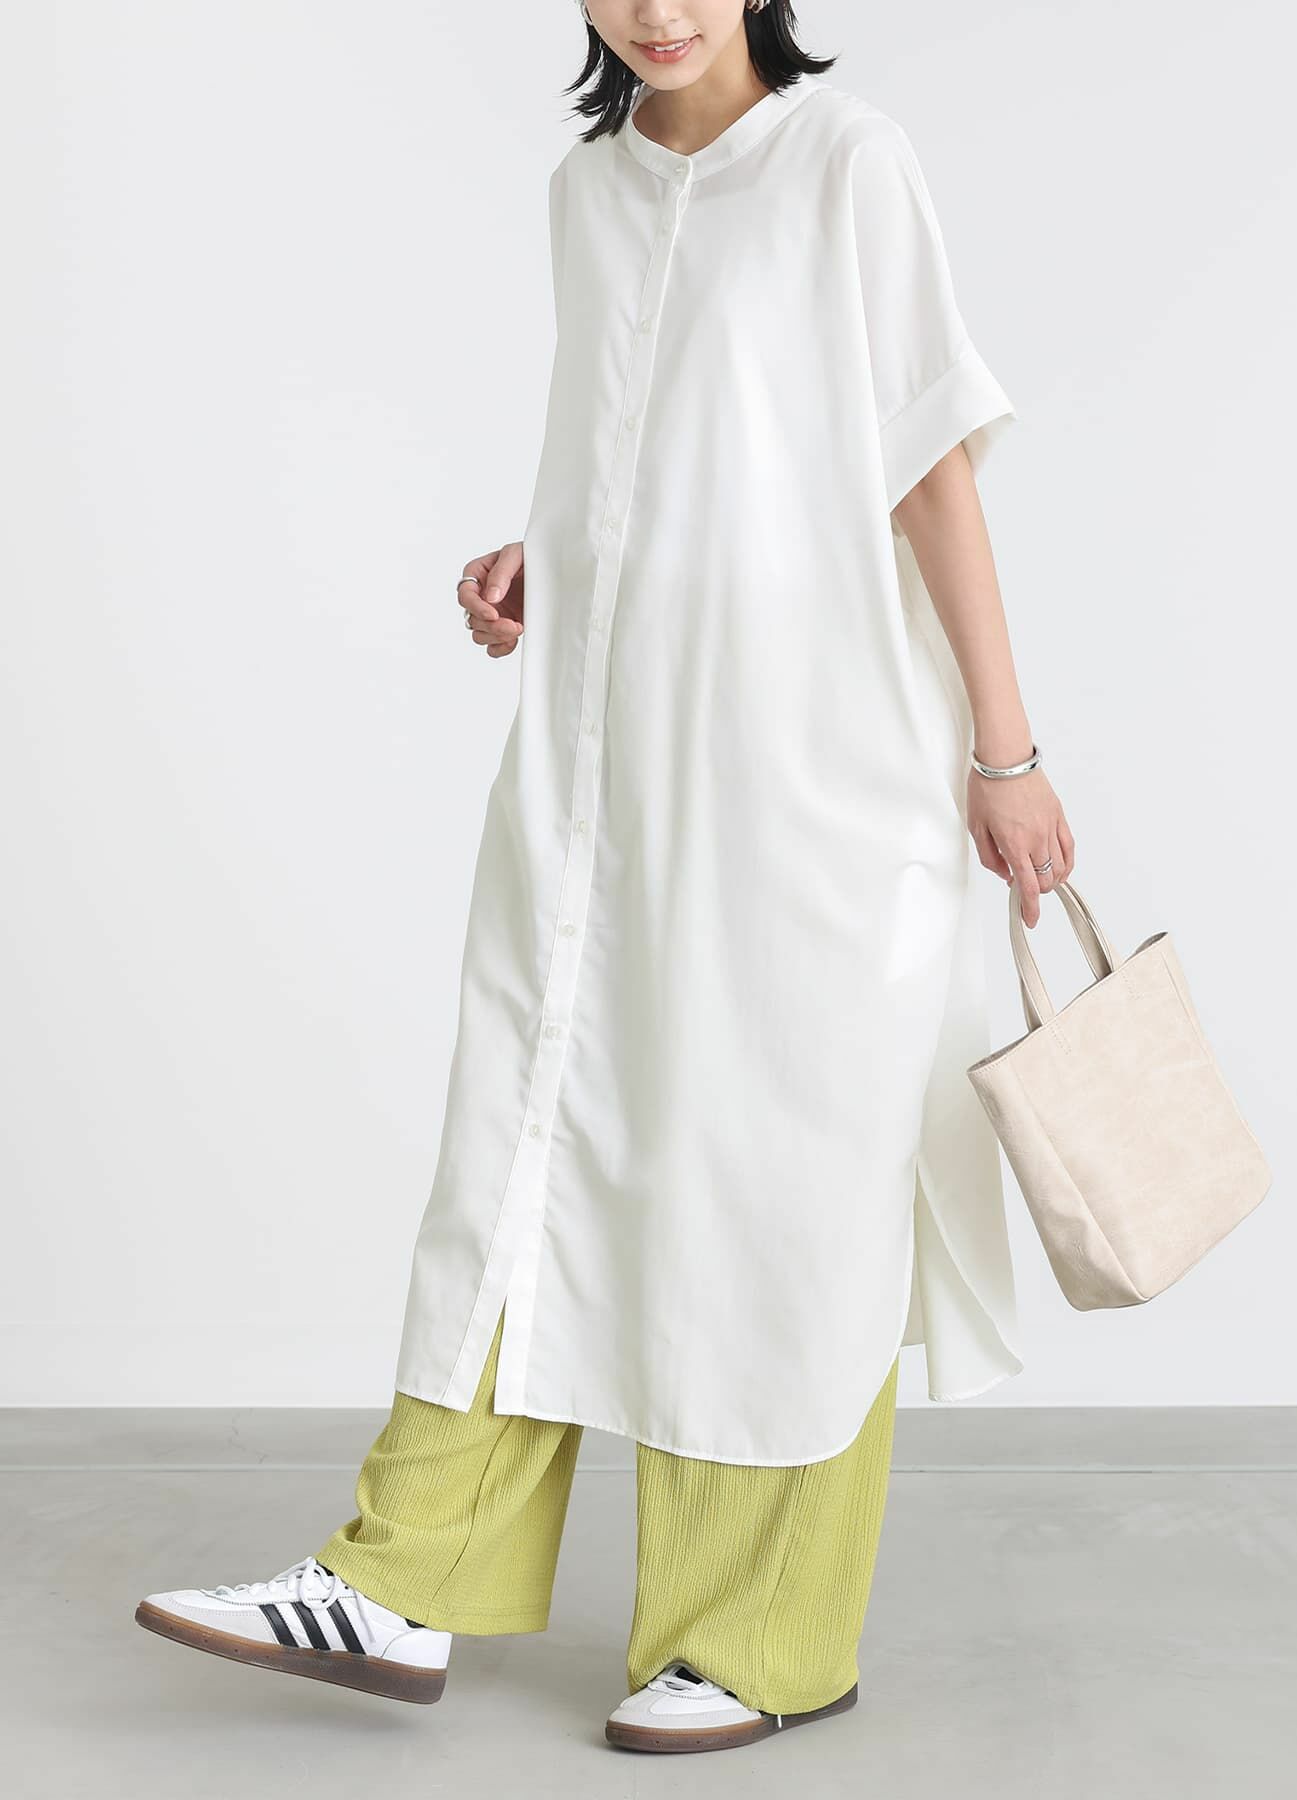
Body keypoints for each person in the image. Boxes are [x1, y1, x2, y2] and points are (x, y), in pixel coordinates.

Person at [134, 0, 1075, 1755]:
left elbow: (926, 469)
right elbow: (665, 446)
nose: (657, 9)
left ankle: (764, 1639)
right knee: (524, 1137)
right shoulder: (587, 194)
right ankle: (401, 1576)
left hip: (812, 781)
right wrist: (547, 551)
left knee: (776, 1197)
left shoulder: (847, 163)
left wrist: (1006, 754)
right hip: (598, 767)